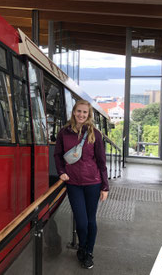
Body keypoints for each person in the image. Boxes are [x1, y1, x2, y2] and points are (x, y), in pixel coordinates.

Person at [54, 99, 109, 269]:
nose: (81, 115)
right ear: (74, 112)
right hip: (74, 183)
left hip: (93, 182)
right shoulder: (64, 133)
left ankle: (87, 252)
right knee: (82, 222)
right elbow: (57, 155)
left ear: (89, 115)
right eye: (79, 111)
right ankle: (83, 247)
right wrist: (61, 172)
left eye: (85, 112)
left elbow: (101, 161)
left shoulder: (96, 134)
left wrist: (105, 186)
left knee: (91, 221)